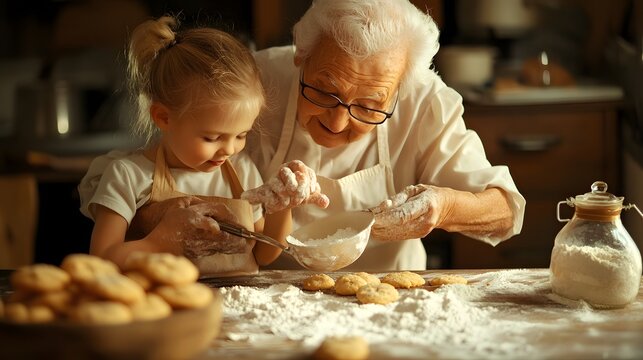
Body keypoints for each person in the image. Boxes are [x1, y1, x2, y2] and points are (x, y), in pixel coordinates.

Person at [87, 0, 526, 272]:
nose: (337, 123)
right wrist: (168, 221)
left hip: (380, 298)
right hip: (263, 296)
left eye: (370, 105)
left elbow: (505, 211)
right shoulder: (252, 81)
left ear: (402, 87)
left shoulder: (427, 102)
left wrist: (441, 206)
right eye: (325, 91)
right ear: (301, 55)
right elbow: (135, 175)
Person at [78, 15, 329, 273]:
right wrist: (159, 241)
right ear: (163, 117)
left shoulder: (241, 171)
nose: (230, 150)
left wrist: (281, 207)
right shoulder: (128, 177)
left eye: (241, 135)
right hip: (169, 307)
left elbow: (264, 254)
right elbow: (102, 262)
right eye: (212, 138)